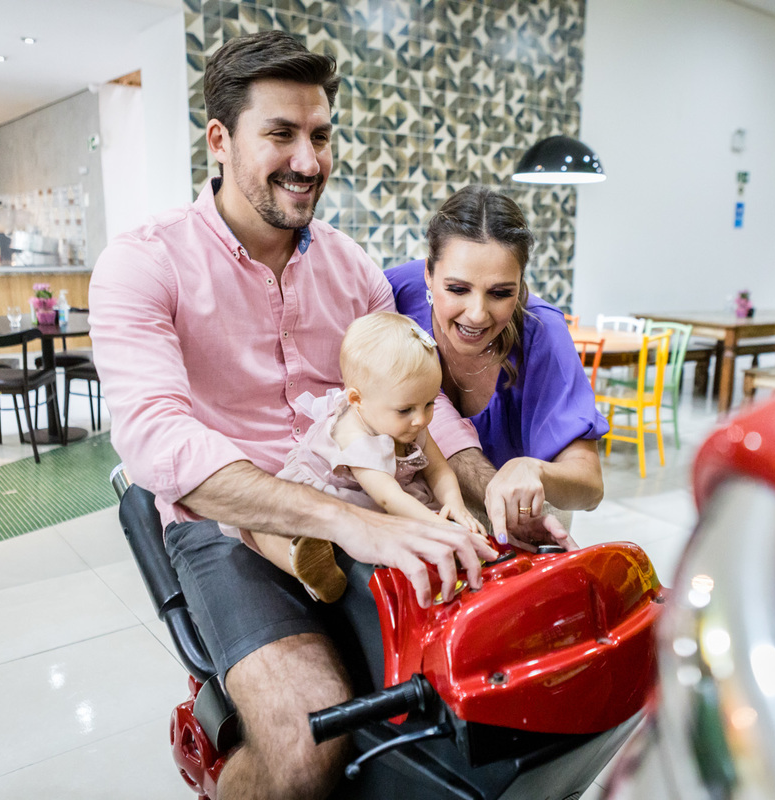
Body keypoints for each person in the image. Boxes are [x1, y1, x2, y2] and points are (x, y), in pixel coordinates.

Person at [88, 31, 496, 800]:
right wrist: (349, 524)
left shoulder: (353, 268)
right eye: (280, 134)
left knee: (474, 699)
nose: (309, 161)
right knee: (308, 745)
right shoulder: (143, 264)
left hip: (358, 499)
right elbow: (156, 443)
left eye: (320, 135)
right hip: (226, 529)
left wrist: (486, 484)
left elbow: (422, 403)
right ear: (220, 139)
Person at [387, 185, 608, 545]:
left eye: (500, 293)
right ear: (428, 274)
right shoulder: (394, 293)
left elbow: (590, 489)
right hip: (430, 503)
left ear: (520, 288)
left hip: (520, 515)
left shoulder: (542, 334)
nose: (476, 314)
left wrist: (534, 469)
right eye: (457, 289)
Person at [219, 311, 483, 603]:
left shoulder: (410, 418)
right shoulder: (354, 435)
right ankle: (305, 563)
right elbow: (388, 498)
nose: (421, 419)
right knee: (266, 523)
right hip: (326, 496)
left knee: (424, 522)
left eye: (430, 403)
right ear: (357, 400)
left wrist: (456, 508)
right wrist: (439, 527)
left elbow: (438, 470)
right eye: (406, 409)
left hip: (372, 498)